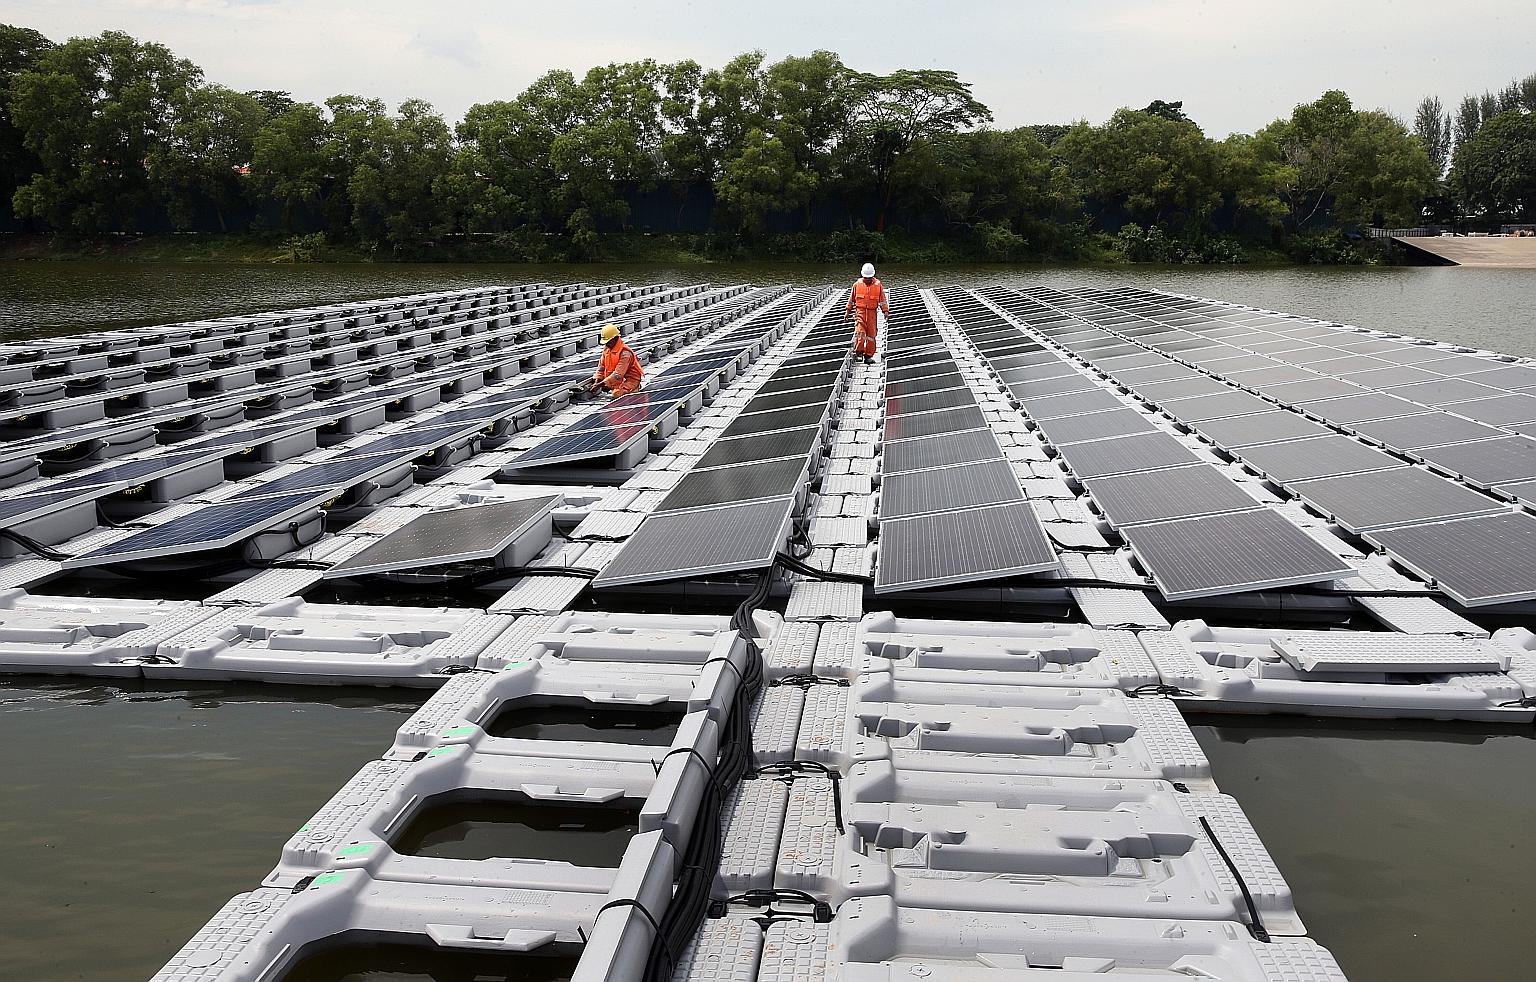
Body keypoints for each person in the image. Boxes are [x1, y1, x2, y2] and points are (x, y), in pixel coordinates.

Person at [845, 262, 889, 364]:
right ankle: (859, 353)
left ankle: (868, 356)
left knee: (871, 336)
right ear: (862, 276)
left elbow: (882, 300)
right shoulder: (857, 285)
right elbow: (851, 299)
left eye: (869, 278)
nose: (867, 279)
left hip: (872, 314)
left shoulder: (878, 285)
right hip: (860, 313)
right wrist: (847, 311)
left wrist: (885, 311)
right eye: (865, 277)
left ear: (873, 276)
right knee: (860, 333)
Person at [589, 323, 643, 397]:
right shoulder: (607, 349)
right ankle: (612, 385)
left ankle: (635, 388)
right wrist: (597, 381)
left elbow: (618, 375)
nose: (607, 344)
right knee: (604, 384)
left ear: (615, 338)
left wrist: (600, 385)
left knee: (616, 394)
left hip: (630, 380)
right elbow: (601, 367)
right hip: (615, 379)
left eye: (608, 342)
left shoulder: (625, 353)